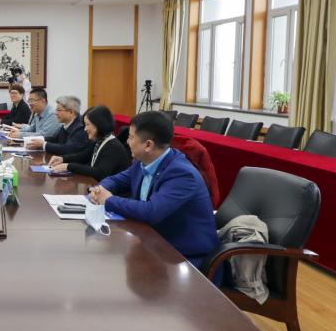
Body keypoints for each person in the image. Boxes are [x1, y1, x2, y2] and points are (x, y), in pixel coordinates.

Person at [88, 111, 218, 266]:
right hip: (152, 240)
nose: (127, 142)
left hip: (182, 255)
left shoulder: (181, 174)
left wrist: (108, 200)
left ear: (148, 145)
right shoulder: (142, 161)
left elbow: (151, 211)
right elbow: (117, 180)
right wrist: (100, 189)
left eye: (131, 137)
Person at [48, 105, 131, 180]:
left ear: (99, 125)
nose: (85, 129)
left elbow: (100, 173)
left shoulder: (113, 146)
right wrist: (63, 159)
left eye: (87, 124)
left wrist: (68, 166)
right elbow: (83, 156)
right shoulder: (99, 139)